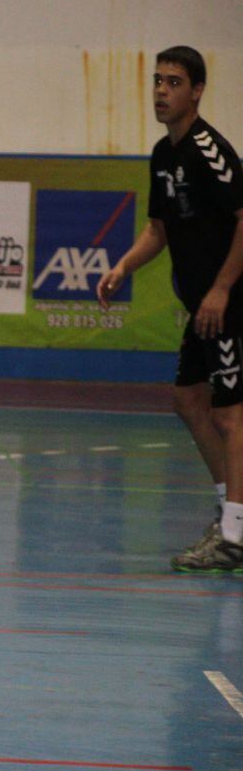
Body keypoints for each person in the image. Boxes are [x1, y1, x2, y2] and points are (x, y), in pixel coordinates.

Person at [98, 46, 243, 574]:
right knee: (187, 400)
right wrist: (122, 268)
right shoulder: (164, 155)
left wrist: (223, 289)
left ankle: (235, 534)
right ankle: (232, 511)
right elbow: (159, 229)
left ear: (198, 91)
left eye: (174, 82)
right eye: (157, 81)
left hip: (229, 301)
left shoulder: (210, 151)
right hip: (202, 305)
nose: (162, 91)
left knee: (230, 412)